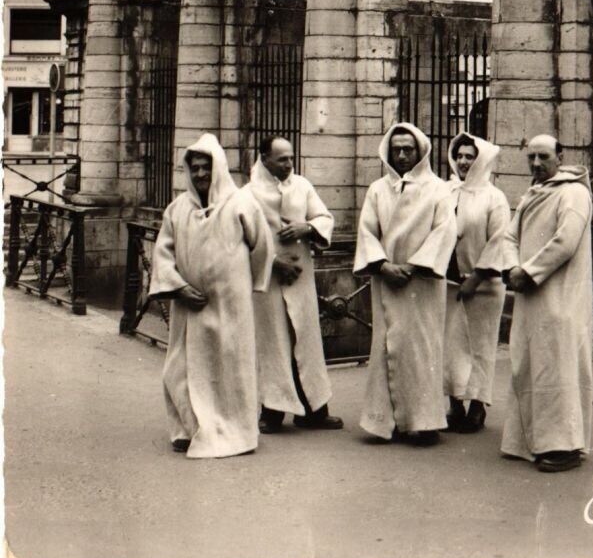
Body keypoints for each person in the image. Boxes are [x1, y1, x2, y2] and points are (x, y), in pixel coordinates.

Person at [148, 133, 273, 458]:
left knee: (230, 365)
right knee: (180, 367)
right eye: (195, 169)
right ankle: (187, 428)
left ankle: (236, 430)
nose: (201, 174)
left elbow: (261, 246)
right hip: (189, 304)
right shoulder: (178, 209)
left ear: (218, 167)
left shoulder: (241, 204)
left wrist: (241, 283)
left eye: (206, 167)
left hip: (231, 304)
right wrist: (179, 288)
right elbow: (163, 253)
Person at [354, 122, 457, 446]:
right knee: (386, 347)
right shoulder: (377, 189)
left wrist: (412, 267)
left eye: (407, 149)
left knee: (422, 350)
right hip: (387, 279)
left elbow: (445, 231)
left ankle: (424, 421)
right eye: (396, 149)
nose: (401, 156)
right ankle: (385, 420)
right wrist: (384, 266)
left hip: (422, 283)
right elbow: (367, 231)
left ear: (420, 151)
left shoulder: (438, 189)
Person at [501, 134, 593, 473]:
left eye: (543, 156)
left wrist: (527, 272)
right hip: (529, 295)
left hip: (559, 299)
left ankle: (564, 446)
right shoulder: (533, 192)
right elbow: (510, 236)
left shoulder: (574, 193)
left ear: (560, 156)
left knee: (557, 368)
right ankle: (527, 441)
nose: (536, 164)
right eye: (531, 157)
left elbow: (565, 242)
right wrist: (512, 267)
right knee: (527, 364)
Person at [241, 135, 343, 432]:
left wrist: (306, 227)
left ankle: (314, 410)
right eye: (282, 159)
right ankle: (272, 411)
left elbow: (324, 217)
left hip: (300, 278)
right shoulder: (247, 195)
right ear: (265, 159)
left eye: (290, 158)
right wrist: (273, 262)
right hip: (267, 280)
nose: (289, 164)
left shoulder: (303, 186)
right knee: (272, 342)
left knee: (306, 340)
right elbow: (240, 240)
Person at [443, 131, 510, 433]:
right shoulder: (445, 191)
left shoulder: (494, 197)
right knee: (450, 346)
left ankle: (478, 406)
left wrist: (478, 276)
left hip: (483, 285)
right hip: (448, 283)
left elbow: (499, 240)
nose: (463, 162)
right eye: (459, 156)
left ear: (481, 160)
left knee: (480, 347)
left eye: (469, 157)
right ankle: (455, 404)